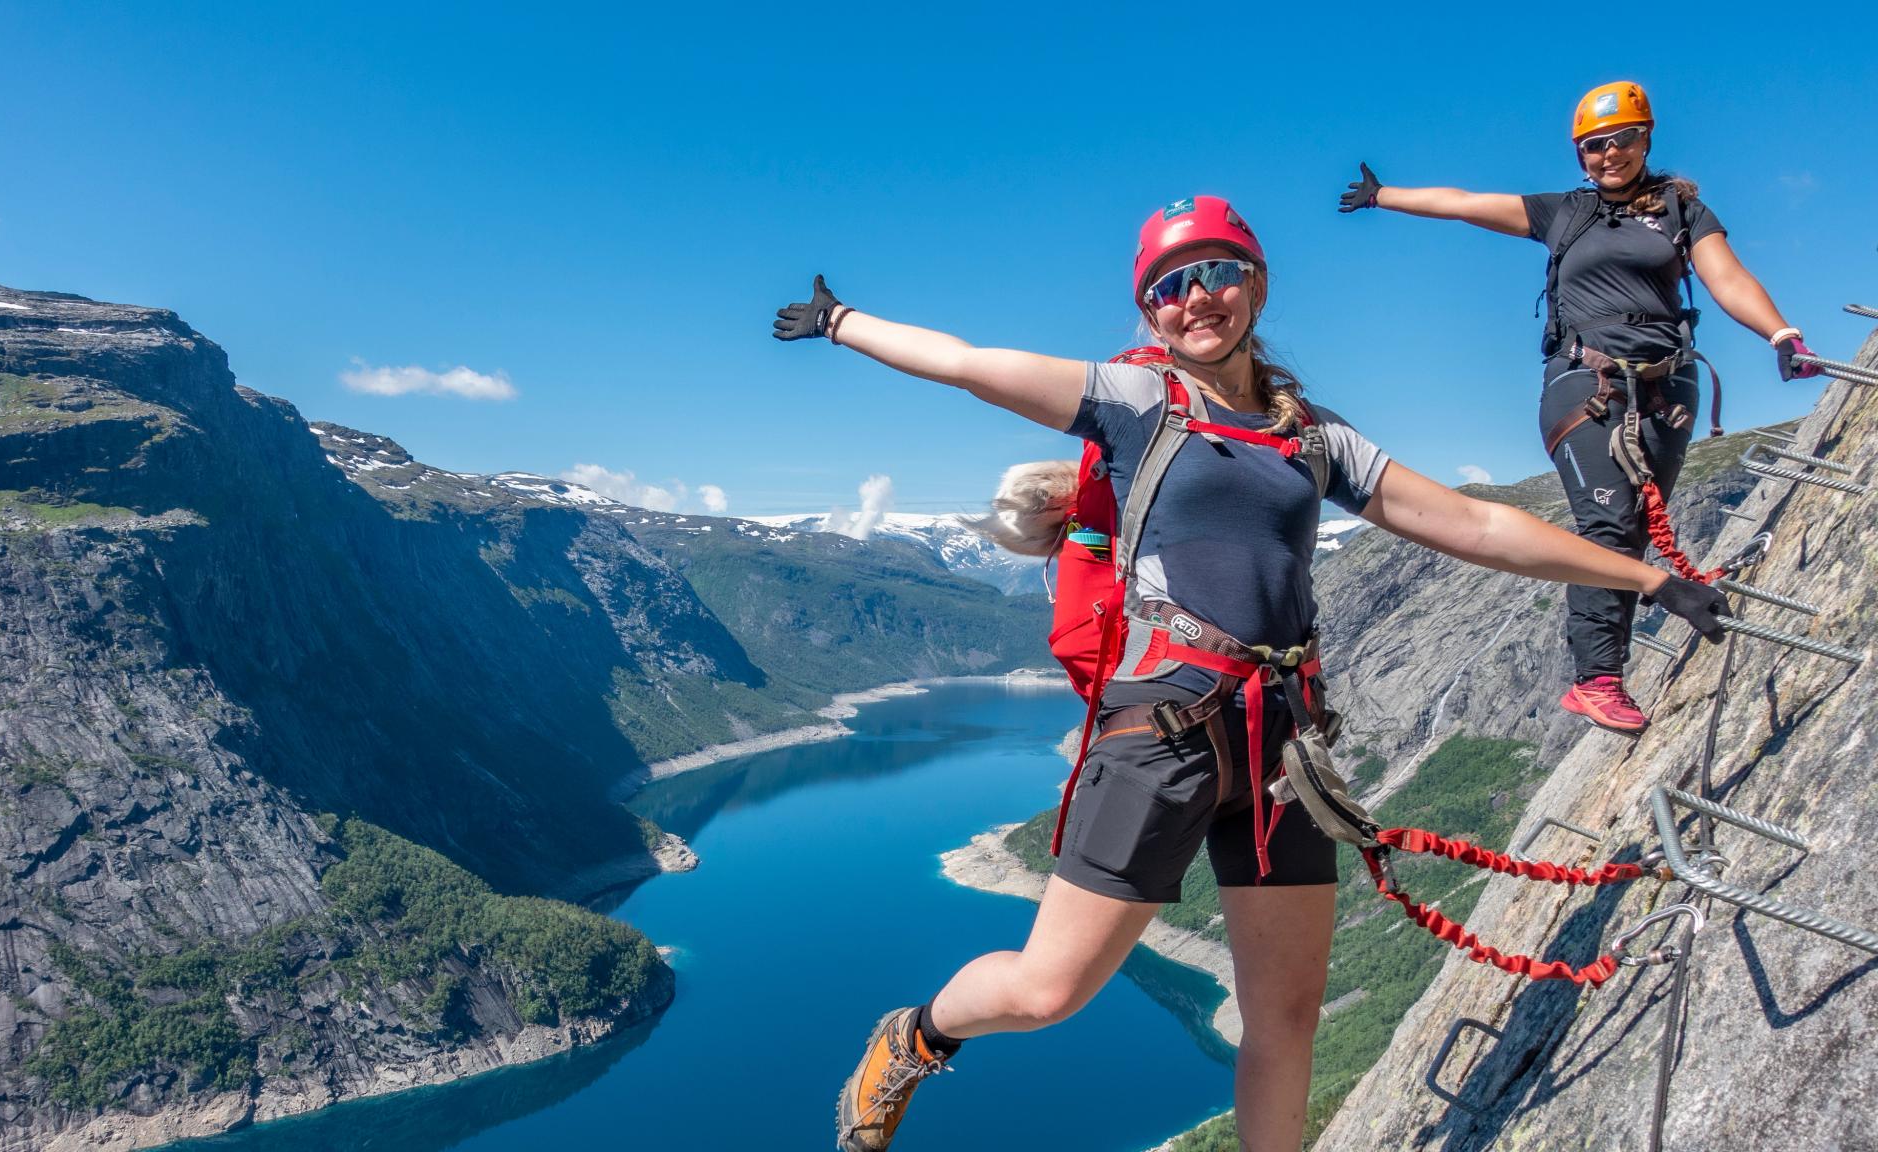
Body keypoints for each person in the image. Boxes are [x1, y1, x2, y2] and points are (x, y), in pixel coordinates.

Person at [773, 194, 1730, 1152]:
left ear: (1255, 283)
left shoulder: (1314, 435)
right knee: (1046, 990)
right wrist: (843, 323)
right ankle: (914, 1037)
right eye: (1171, 286)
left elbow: (1474, 524)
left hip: (1284, 744)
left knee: (1285, 1022)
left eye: (1216, 272)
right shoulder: (1136, 402)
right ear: (1150, 312)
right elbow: (973, 367)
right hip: (1164, 732)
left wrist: (1649, 577)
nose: (1197, 298)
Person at [1336, 80, 1820, 735]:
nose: (1609, 154)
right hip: (1583, 383)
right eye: (1594, 146)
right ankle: (1596, 680)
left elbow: (1726, 277)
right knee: (1607, 523)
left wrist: (1780, 333)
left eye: (1622, 139)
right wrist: (1384, 196)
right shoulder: (1565, 212)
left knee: (1635, 529)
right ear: (1580, 154)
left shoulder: (1682, 213)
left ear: (1646, 137)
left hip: (1667, 387)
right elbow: (1465, 205)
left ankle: (1606, 675)